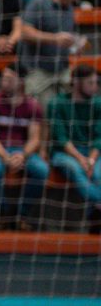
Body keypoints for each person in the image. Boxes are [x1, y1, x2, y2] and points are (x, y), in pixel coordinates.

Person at [0, 65, 50, 231]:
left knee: (42, 169)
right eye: (3, 78)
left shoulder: (32, 105)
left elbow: (35, 139)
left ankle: (21, 214)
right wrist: (5, 156)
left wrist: (22, 156)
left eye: (9, 78)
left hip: (22, 151)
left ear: (20, 81)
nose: (5, 82)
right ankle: (4, 213)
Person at [45, 63, 101, 231]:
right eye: (90, 83)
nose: (95, 87)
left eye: (96, 82)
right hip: (65, 154)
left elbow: (99, 137)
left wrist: (90, 159)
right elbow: (61, 139)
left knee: (98, 174)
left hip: (92, 154)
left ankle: (95, 213)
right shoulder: (57, 104)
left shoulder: (98, 104)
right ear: (76, 82)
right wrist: (82, 160)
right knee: (76, 170)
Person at [18, 0, 86, 104]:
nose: (77, 0)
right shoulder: (39, 3)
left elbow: (65, 38)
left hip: (62, 72)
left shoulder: (69, 9)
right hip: (39, 73)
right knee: (44, 114)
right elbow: (25, 33)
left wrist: (76, 45)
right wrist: (54, 39)